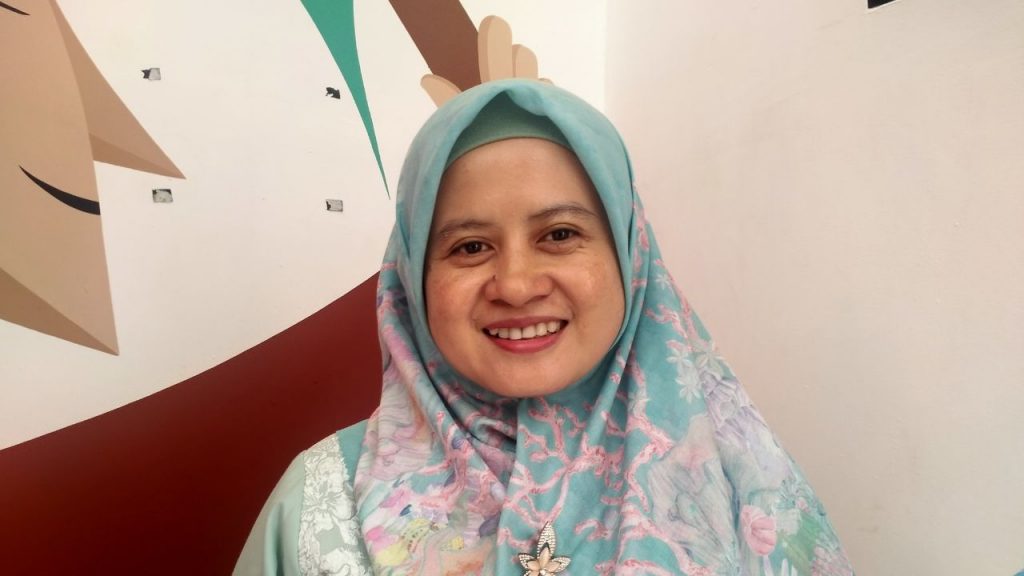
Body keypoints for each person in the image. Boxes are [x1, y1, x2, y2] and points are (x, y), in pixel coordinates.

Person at [235, 79, 855, 575]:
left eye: (560, 234)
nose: (516, 284)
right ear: (414, 280)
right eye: (470, 246)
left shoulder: (745, 483)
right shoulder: (319, 505)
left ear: (630, 257)